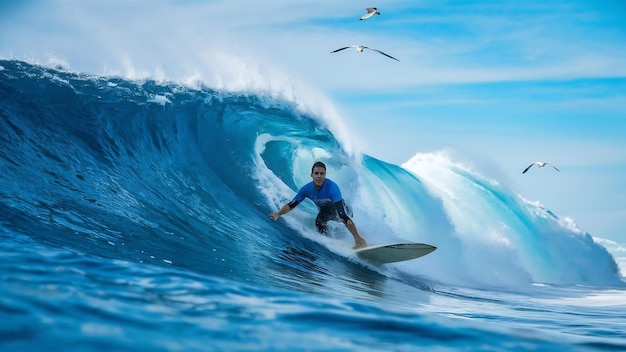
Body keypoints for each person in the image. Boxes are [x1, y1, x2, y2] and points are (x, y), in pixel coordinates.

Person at [269, 161, 367, 249]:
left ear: (325, 175)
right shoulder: (306, 189)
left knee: (343, 218)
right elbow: (291, 205)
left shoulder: (332, 187)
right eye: (316, 173)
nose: (319, 176)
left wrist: (357, 238)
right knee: (319, 222)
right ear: (311, 175)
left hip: (341, 209)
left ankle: (360, 238)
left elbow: (343, 215)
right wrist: (278, 213)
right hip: (325, 212)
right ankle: (333, 240)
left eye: (322, 174)